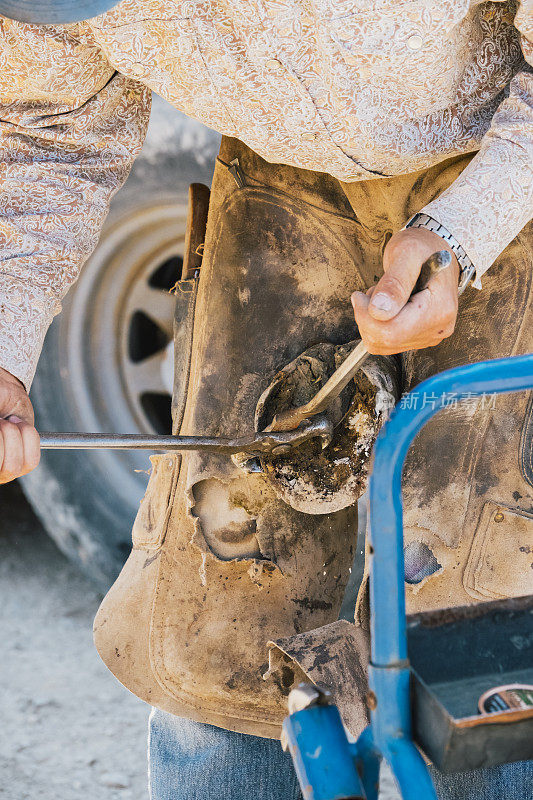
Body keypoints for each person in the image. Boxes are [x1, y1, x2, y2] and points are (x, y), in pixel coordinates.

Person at [0, 2, 532, 798]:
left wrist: (465, 228)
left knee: (486, 643)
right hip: (281, 194)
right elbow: (45, 127)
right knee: (217, 625)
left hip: (501, 170)